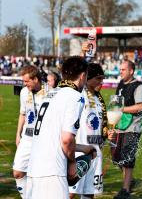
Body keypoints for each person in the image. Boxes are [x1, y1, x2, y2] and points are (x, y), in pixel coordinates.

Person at [26, 56, 96, 199]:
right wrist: (72, 162)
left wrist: (83, 148)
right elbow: (66, 139)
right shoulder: (76, 96)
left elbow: (54, 136)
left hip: (34, 169)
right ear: (83, 76)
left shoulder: (51, 94)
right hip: (53, 172)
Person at [69, 63, 109, 199]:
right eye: (98, 78)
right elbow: (74, 75)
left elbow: (99, 124)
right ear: (87, 78)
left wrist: (106, 133)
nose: (101, 82)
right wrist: (84, 53)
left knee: (89, 193)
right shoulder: (80, 94)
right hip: (80, 152)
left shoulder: (99, 97)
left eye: (102, 78)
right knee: (70, 192)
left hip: (96, 153)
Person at [110, 60, 142, 199]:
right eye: (120, 70)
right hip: (120, 126)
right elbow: (115, 104)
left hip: (133, 127)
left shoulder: (138, 86)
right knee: (115, 157)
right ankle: (130, 180)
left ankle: (125, 190)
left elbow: (141, 106)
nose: (121, 72)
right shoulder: (120, 84)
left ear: (131, 71)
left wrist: (122, 109)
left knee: (127, 157)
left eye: (123, 70)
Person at [13, 65, 48, 199]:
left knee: (41, 177)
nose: (24, 84)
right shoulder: (23, 92)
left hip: (43, 140)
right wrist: (18, 134)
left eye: (27, 81)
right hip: (27, 139)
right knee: (18, 172)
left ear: (36, 79)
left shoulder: (50, 92)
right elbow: (23, 113)